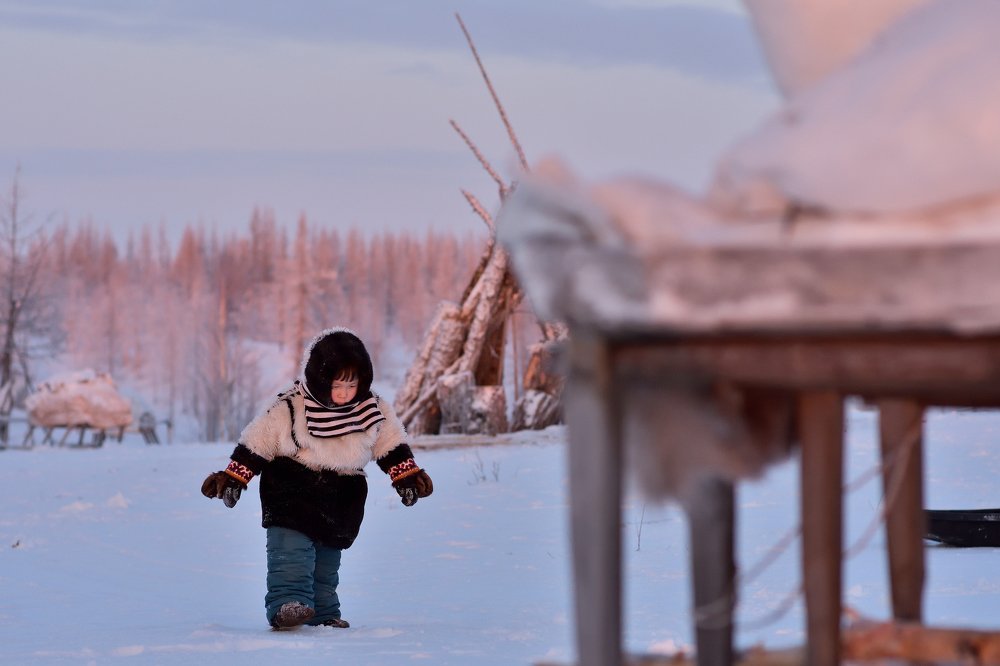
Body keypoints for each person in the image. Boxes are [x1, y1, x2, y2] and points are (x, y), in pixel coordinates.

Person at [200, 328, 433, 630]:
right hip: (291, 488)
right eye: (338, 385)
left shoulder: (371, 409)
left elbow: (389, 443)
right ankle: (287, 605)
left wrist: (406, 476)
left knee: (326, 561)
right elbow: (259, 440)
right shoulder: (293, 405)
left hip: (341, 495)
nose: (346, 392)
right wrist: (234, 477)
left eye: (353, 384)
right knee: (291, 551)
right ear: (321, 379)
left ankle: (323, 614)